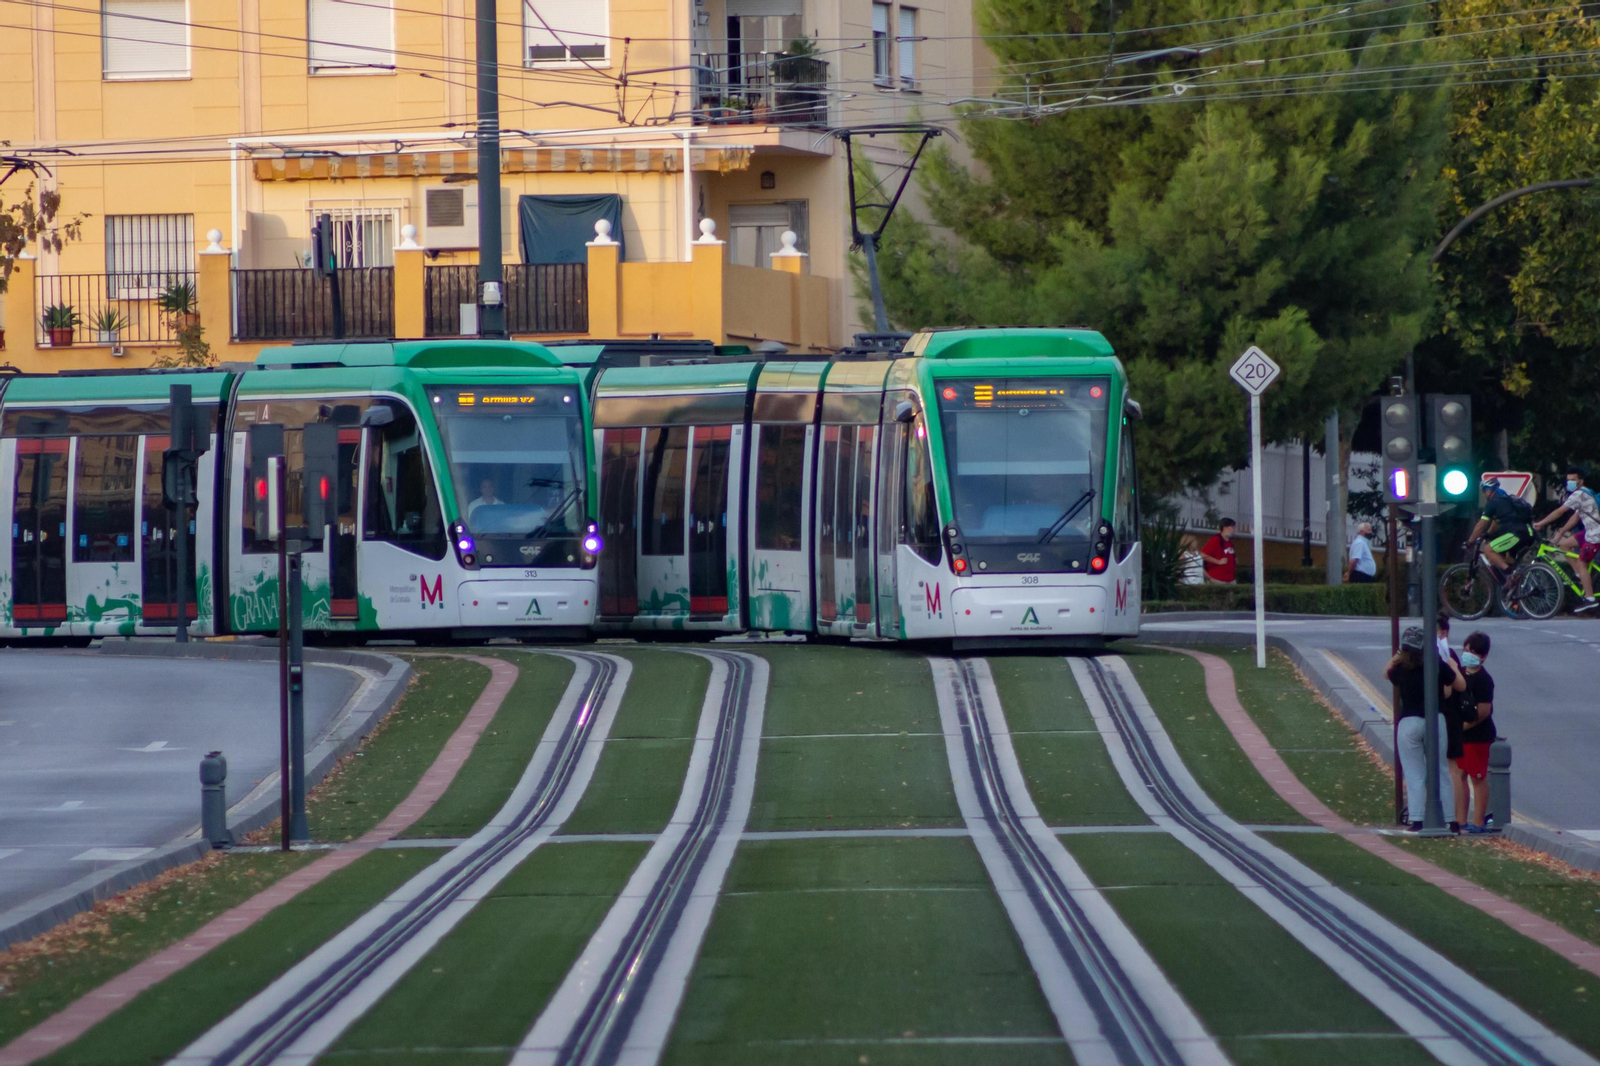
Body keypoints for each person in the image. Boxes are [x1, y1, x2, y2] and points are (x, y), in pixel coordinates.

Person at [1385, 625, 1466, 831]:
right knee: (1440, 771)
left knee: (1414, 774)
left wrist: (1397, 656)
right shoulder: (1436, 665)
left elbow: (1386, 672)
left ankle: (1418, 819)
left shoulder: (1401, 669)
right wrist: (1453, 666)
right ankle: (1450, 820)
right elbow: (1460, 686)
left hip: (1409, 721)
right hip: (1435, 719)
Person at [1533, 464, 1600, 613]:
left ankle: (1589, 599)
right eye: (1568, 480)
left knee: (1583, 564)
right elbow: (1576, 518)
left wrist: (1541, 523)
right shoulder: (1585, 493)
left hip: (1596, 536)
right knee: (1564, 545)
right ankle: (1578, 575)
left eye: (1573, 480)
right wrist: (1561, 533)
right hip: (1589, 532)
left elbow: (1559, 512)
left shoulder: (1579, 495)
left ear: (1581, 481)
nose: (1569, 482)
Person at [1458, 631, 1497, 833]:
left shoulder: (1483, 680)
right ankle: (1460, 820)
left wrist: (1461, 727)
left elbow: (1483, 711)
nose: (1467, 654)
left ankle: (1478, 822)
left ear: (1483, 656)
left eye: (1472, 652)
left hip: (1477, 736)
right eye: (1465, 650)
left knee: (1477, 777)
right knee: (1460, 776)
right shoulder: (1460, 674)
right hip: (1461, 737)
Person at [1466, 476, 1536, 588]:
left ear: (1489, 489)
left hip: (1515, 533)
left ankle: (1511, 574)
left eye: (1484, 491)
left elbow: (1481, 525)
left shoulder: (1493, 502)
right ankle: (1519, 588)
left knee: (1488, 550)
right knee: (1507, 559)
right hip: (1528, 533)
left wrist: (1469, 542)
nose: (1484, 494)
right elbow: (1496, 522)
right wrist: (1488, 534)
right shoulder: (1506, 500)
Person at [1436, 612, 1468, 834]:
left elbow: (1447, 691)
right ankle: (1454, 818)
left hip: (1449, 716)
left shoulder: (1447, 656)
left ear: (1444, 633)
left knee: (1452, 770)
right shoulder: (1440, 654)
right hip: (1447, 716)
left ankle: (1455, 818)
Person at [1200, 518, 1238, 584]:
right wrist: (1218, 562)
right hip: (1218, 578)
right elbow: (1203, 555)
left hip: (1230, 579)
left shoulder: (1229, 541)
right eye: (1232, 526)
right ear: (1225, 527)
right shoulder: (1216, 539)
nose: (1234, 529)